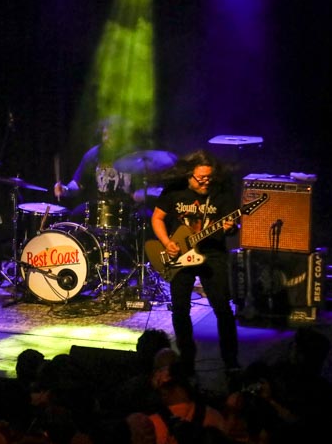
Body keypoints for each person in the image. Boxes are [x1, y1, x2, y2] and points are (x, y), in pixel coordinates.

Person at [150, 149, 240, 381]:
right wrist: (167, 242)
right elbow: (157, 218)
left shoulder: (222, 194)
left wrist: (231, 228)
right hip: (180, 254)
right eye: (201, 178)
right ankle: (187, 360)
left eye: (209, 177)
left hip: (213, 255)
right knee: (180, 310)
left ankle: (231, 361)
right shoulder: (174, 191)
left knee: (223, 309)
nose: (205, 182)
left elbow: (233, 225)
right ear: (190, 175)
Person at [53, 118, 134, 228]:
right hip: (97, 208)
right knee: (75, 215)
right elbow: (78, 184)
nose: (107, 138)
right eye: (105, 134)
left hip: (125, 208)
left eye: (113, 135)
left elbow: (141, 188)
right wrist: (65, 189)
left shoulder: (133, 156)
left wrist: (140, 195)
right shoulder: (92, 155)